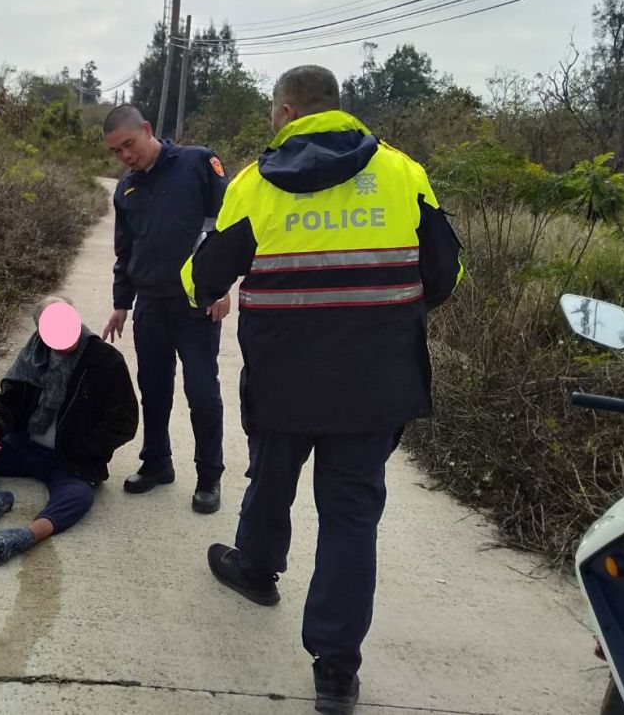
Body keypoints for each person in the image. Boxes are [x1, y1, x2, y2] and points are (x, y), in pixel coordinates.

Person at [181, 65, 462, 715]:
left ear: (283, 113)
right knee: (351, 515)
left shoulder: (254, 183)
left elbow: (204, 277)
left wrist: (201, 283)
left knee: (272, 473)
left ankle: (256, 571)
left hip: (283, 378)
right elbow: (445, 273)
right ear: (339, 109)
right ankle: (336, 673)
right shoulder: (402, 173)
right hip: (375, 381)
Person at [101, 105, 230, 514]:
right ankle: (157, 463)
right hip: (151, 306)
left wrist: (221, 286)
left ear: (147, 130)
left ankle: (209, 476)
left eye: (129, 144)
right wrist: (122, 304)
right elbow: (125, 251)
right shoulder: (126, 190)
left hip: (196, 303)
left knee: (202, 393)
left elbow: (225, 227)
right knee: (153, 391)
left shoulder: (196, 162)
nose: (125, 156)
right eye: (117, 152)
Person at [0, 296, 138, 564]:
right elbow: (7, 400)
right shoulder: (32, 357)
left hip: (71, 460)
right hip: (26, 446)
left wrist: (83, 448)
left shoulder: (106, 361)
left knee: (79, 497)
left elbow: (124, 422)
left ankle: (24, 536)